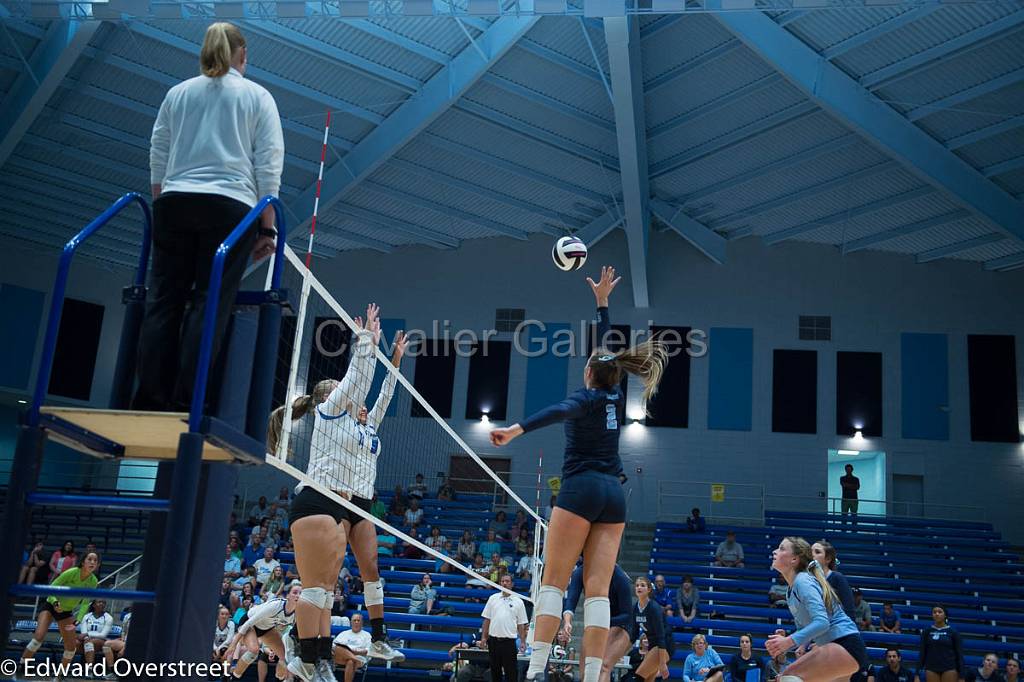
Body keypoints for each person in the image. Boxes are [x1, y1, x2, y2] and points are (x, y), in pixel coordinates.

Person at [489, 266, 668, 682]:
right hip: (614, 496)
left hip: (581, 488)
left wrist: (516, 429)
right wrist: (603, 305)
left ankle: (533, 671)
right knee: (599, 591)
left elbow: (557, 412)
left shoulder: (586, 398)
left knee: (552, 583)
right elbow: (607, 351)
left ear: (587, 374)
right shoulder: (614, 396)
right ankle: (590, 676)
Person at [135, 21, 282, 412]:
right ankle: (188, 400)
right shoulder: (257, 96)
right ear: (243, 55)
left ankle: (149, 398)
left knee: (163, 301)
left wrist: (162, 204)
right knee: (210, 302)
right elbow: (268, 167)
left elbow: (158, 153)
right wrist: (267, 228)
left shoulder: (177, 94)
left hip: (174, 203)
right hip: (229, 209)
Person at [267, 305, 397, 682]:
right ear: (332, 396)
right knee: (315, 590)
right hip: (318, 499)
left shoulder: (357, 425)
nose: (352, 397)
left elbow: (368, 390)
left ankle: (319, 659)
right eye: (344, 393)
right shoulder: (328, 412)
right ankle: (307, 657)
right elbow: (357, 379)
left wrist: (377, 352)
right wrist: (365, 343)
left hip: (348, 500)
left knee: (325, 592)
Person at [765, 537, 868, 682]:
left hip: (845, 644)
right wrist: (787, 639)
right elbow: (806, 629)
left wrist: (789, 641)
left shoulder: (803, 581)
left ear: (794, 559)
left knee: (788, 677)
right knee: (785, 677)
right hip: (839, 647)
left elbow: (822, 622)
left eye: (781, 548)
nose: (775, 551)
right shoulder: (791, 591)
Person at [21, 551, 100, 668]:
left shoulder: (93, 581)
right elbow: (52, 588)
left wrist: (77, 620)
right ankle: (22, 664)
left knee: (71, 648)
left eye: (95, 560)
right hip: (51, 605)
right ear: (83, 562)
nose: (92, 562)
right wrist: (55, 602)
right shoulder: (71, 572)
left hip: (66, 612)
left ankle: (59, 675)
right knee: (38, 638)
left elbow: (85, 603)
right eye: (90, 559)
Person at [562, 561, 634, 682]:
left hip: (619, 625)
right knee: (585, 673)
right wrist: (567, 621)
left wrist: (603, 622)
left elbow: (627, 615)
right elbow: (571, 601)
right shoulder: (580, 572)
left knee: (603, 667)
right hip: (594, 623)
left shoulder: (620, 577)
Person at [224, 582, 302, 680]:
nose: (298, 596)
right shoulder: (276, 605)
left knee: (285, 658)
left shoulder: (298, 614)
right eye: (295, 592)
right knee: (254, 650)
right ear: (288, 596)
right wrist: (233, 645)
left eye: (301, 593)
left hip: (266, 628)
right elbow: (248, 623)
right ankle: (233, 678)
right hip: (249, 623)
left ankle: (278, 680)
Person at [481, 573, 529, 682]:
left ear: (512, 584)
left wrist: (522, 641)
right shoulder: (492, 598)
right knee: (495, 671)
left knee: (511, 672)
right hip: (493, 641)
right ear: (499, 583)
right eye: (502, 581)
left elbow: (521, 624)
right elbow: (487, 620)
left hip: (509, 642)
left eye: (507, 581)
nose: (505, 583)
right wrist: (484, 638)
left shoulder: (519, 601)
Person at [630, 576, 670, 682]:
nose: (639, 587)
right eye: (637, 585)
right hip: (653, 646)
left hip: (664, 645)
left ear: (649, 589)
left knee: (637, 678)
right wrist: (619, 655)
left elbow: (661, 637)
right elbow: (633, 636)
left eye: (642, 585)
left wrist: (662, 664)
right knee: (647, 680)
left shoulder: (654, 607)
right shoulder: (635, 608)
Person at [811, 540, 856, 620]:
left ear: (828, 559)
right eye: (810, 551)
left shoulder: (837, 578)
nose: (811, 554)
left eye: (817, 552)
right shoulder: (806, 579)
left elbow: (849, 609)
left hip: (836, 628)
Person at [918, 606, 963, 682]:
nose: (937, 614)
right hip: (931, 668)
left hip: (949, 668)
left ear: (945, 615)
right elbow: (922, 652)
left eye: (940, 612)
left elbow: (959, 654)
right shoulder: (926, 631)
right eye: (934, 612)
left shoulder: (953, 632)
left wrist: (962, 676)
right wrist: (917, 673)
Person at [333, 614, 373, 682]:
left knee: (351, 662)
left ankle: (353, 658)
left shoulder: (367, 635)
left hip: (358, 656)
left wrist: (356, 652)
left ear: (362, 623)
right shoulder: (344, 634)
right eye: (354, 620)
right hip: (342, 657)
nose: (356, 622)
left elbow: (368, 651)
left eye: (358, 620)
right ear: (351, 622)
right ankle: (352, 657)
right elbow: (334, 646)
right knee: (335, 649)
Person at [77, 599, 113, 668]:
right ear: (93, 605)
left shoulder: (108, 617)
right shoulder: (87, 616)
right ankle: (64, 669)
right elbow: (83, 632)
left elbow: (103, 635)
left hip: (101, 641)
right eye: (99, 602)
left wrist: (88, 635)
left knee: (89, 643)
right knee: (74, 643)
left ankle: (89, 670)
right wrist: (86, 637)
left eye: (104, 602)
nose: (102, 604)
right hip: (86, 640)